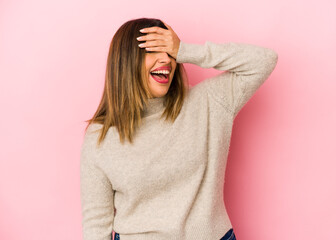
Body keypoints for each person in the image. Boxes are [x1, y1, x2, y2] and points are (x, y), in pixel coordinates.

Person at [80, 17, 278, 240]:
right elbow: (96, 226)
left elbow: (264, 61)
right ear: (127, 61)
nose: (166, 59)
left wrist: (185, 50)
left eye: (169, 51)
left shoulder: (209, 102)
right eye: (154, 50)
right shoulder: (101, 136)